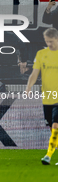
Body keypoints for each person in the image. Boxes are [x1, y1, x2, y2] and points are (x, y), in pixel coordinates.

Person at [25, 28, 58, 165]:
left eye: (51, 41)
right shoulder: (41, 54)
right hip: (47, 97)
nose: (49, 44)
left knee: (56, 126)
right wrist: (28, 87)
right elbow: (34, 73)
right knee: (52, 128)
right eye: (47, 42)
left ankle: (48, 156)